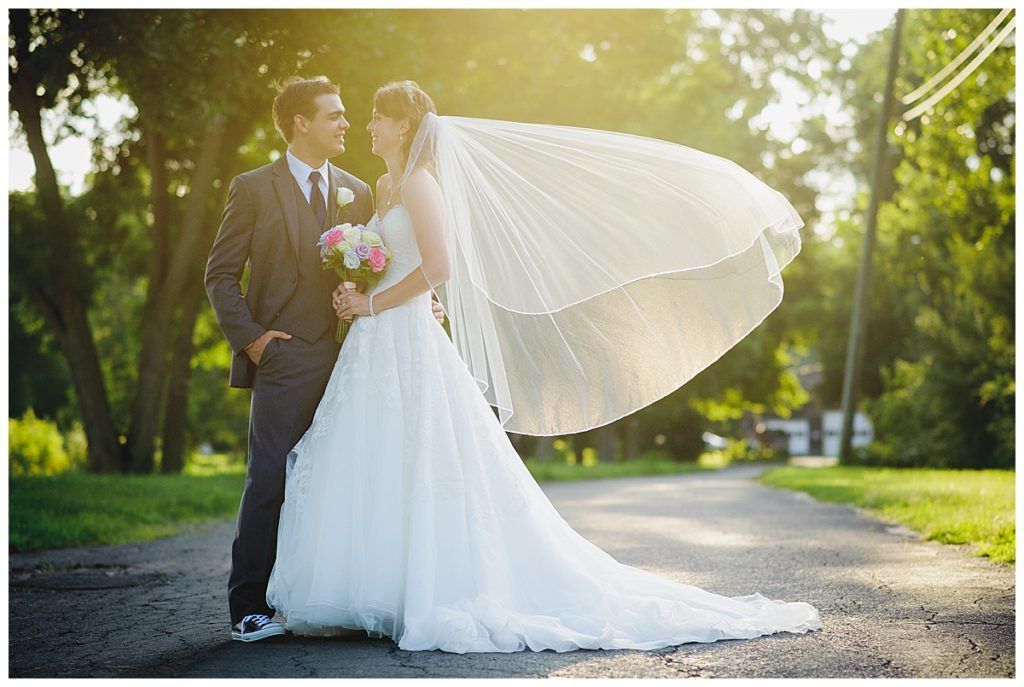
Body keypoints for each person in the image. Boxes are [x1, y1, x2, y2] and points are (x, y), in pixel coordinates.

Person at [264, 80, 820, 653]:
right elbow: (397, 264)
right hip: (374, 341)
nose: (367, 127)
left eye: (377, 117)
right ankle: (371, 589)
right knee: (372, 455)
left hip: (405, 339)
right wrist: (356, 290)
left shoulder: (422, 184)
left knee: (423, 456)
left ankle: (430, 584)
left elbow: (440, 265)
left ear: (402, 126)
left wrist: (373, 303)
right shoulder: (382, 187)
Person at [204, 76, 443, 643]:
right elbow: (219, 275)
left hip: (358, 355)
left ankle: (330, 592)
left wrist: (421, 301)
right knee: (270, 478)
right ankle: (248, 606)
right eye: (333, 115)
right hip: (286, 357)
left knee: (347, 478)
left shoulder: (363, 190)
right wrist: (256, 341)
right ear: (299, 123)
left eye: (348, 114)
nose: (346, 124)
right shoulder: (254, 188)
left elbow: (390, 258)